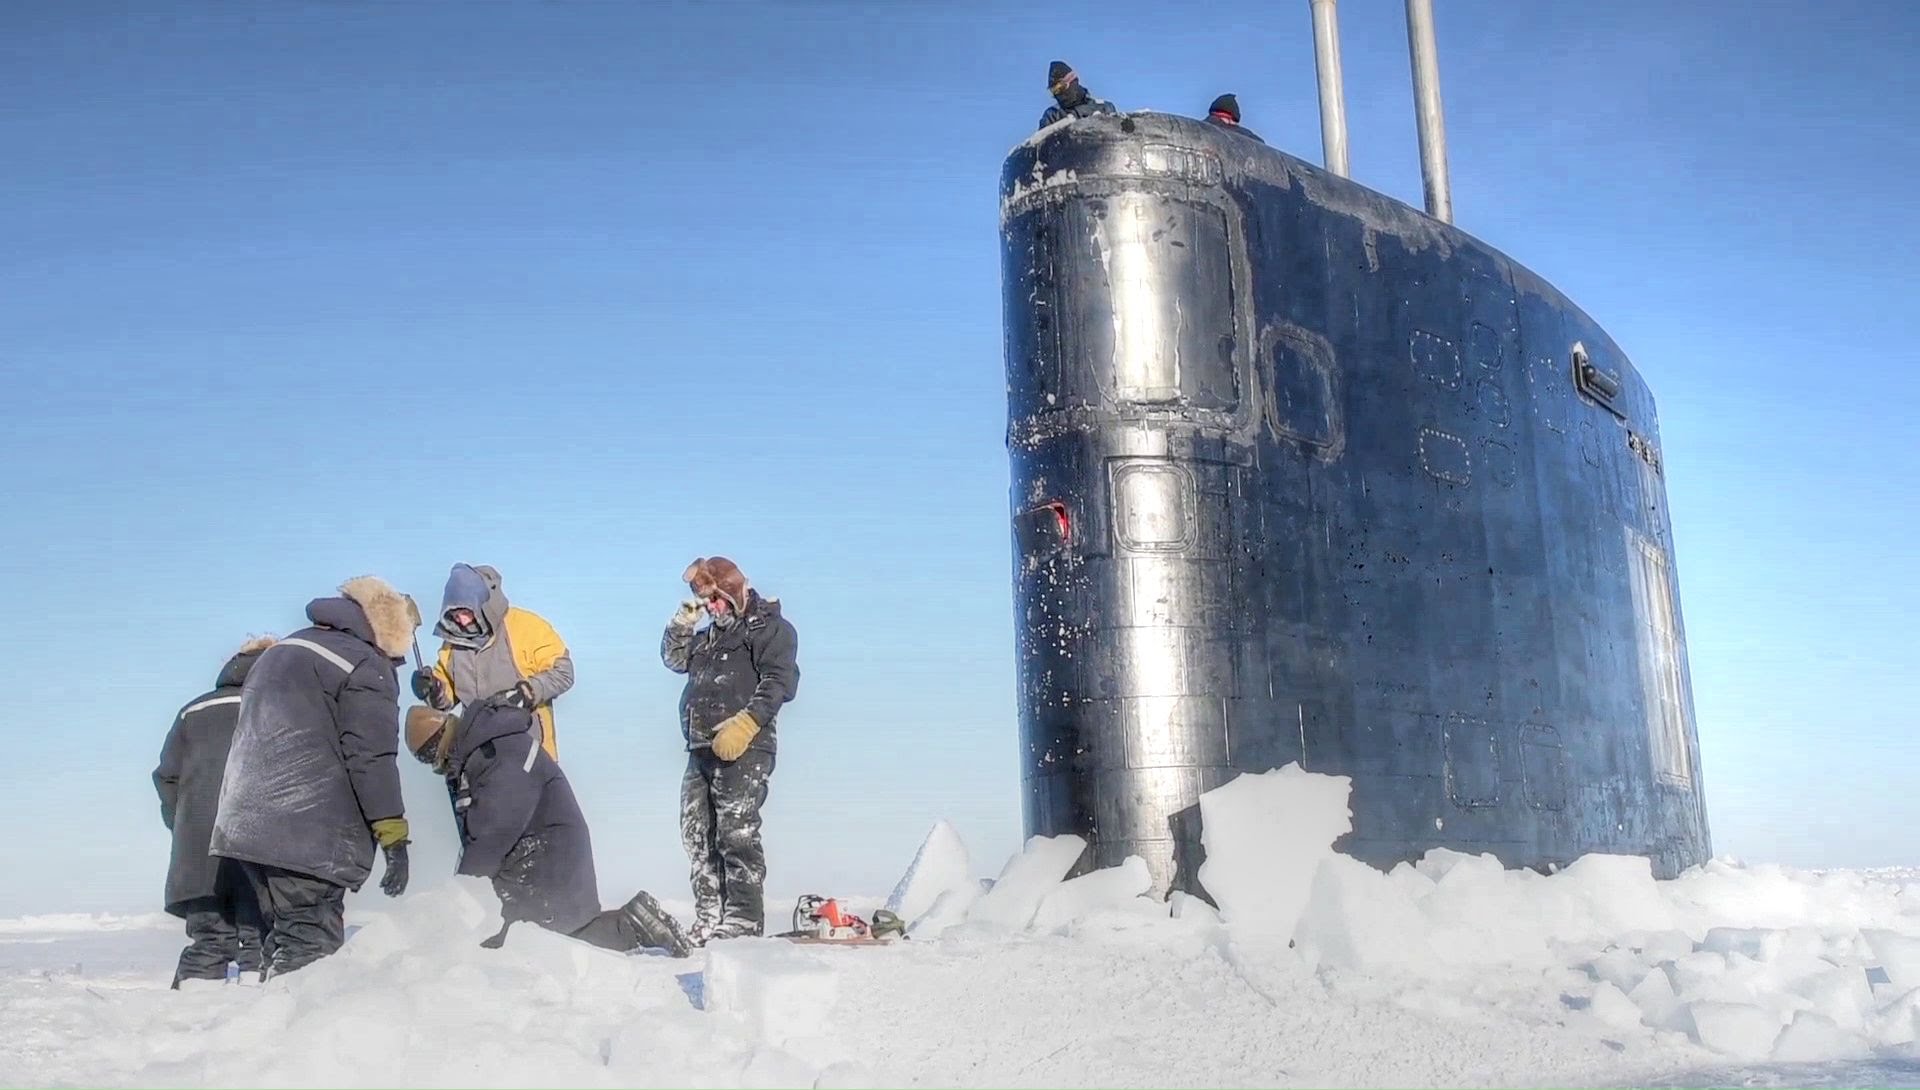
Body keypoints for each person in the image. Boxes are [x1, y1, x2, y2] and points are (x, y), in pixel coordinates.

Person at [210, 576, 418, 977]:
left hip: (245, 828)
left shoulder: (284, 650)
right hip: (306, 835)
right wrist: (393, 836)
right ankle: (296, 1038)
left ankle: (269, 1030)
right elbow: (371, 757)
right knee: (310, 957)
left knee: (282, 943)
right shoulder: (362, 664)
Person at [404, 699, 690, 956]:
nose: (435, 766)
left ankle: (633, 925)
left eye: (430, 757)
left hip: (547, 853)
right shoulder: (485, 751)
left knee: (532, 945)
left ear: (438, 742)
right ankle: (635, 922)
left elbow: (493, 834)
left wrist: (461, 892)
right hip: (544, 849)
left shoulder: (498, 754)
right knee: (558, 938)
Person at [662, 556, 799, 944]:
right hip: (701, 745)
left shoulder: (769, 628)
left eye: (716, 600)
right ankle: (709, 915)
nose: (713, 609)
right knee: (697, 833)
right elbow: (673, 659)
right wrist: (683, 622)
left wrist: (746, 723)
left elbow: (780, 681)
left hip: (745, 746)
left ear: (733, 592)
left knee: (736, 832)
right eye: (706, 603)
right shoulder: (708, 637)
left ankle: (741, 919)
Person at [153, 636, 274, 988]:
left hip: (196, 846)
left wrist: (184, 825)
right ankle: (258, 1018)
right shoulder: (274, 704)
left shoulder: (193, 710)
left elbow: (167, 776)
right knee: (259, 939)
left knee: (208, 940)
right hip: (257, 840)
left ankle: (192, 1013)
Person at [413, 563, 572, 763]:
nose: (461, 620)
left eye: (466, 612)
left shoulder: (526, 627)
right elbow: (445, 700)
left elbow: (564, 672)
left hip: (531, 756)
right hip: (478, 759)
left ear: (483, 604)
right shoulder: (452, 646)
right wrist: (432, 689)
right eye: (454, 614)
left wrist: (528, 692)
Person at [1039, 60, 1116, 130]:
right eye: (1054, 91)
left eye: (1061, 87)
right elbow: (1042, 142)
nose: (1059, 94)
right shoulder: (1053, 116)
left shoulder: (1104, 108)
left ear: (1073, 81)